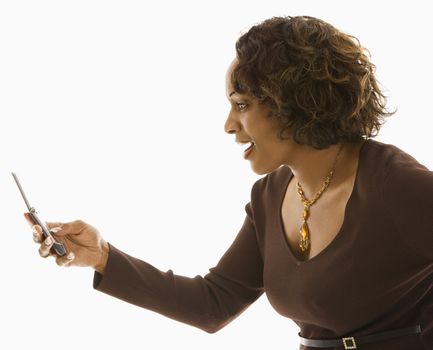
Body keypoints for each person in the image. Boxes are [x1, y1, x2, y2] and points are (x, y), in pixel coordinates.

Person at [25, 15, 433, 350]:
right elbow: (213, 304)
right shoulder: (270, 195)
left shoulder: (394, 186)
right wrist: (102, 257)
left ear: (294, 101)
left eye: (242, 105)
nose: (228, 125)